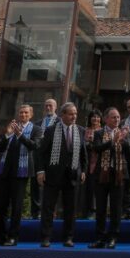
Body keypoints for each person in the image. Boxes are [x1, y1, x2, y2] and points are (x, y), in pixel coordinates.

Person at [0, 104, 42, 246]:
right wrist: (7, 134)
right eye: (21, 112)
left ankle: (13, 237)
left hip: (21, 172)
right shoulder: (12, 127)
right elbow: (0, 149)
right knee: (1, 206)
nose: (23, 115)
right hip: (5, 170)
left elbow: (34, 146)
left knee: (17, 207)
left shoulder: (36, 129)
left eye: (26, 113)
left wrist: (20, 135)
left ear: (31, 115)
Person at [38, 101, 87, 247]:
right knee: (48, 207)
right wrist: (41, 171)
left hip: (72, 175)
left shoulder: (80, 130)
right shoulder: (51, 130)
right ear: (63, 115)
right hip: (53, 174)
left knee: (71, 209)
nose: (74, 116)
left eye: (76, 114)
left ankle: (68, 238)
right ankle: (46, 237)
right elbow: (41, 153)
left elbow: (84, 153)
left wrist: (83, 170)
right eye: (71, 114)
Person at [89, 107, 130, 249]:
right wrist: (112, 142)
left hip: (118, 175)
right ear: (106, 119)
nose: (117, 120)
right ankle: (100, 238)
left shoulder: (122, 133)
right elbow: (96, 148)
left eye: (118, 117)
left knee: (116, 209)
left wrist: (124, 140)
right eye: (113, 117)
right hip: (102, 175)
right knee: (100, 208)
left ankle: (113, 237)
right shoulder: (99, 133)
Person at [30, 98, 58, 219]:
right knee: (35, 185)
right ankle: (35, 212)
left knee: (51, 186)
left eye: (50, 106)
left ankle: (50, 212)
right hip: (38, 157)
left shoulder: (60, 122)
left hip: (53, 158)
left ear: (55, 107)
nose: (48, 108)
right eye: (46, 106)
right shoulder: (37, 123)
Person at [82, 109, 102, 219]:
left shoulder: (103, 130)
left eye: (98, 116)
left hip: (100, 162)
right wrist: (87, 142)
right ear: (89, 118)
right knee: (88, 187)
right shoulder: (84, 130)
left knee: (97, 187)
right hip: (86, 161)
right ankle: (86, 210)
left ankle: (96, 210)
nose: (95, 119)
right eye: (93, 116)